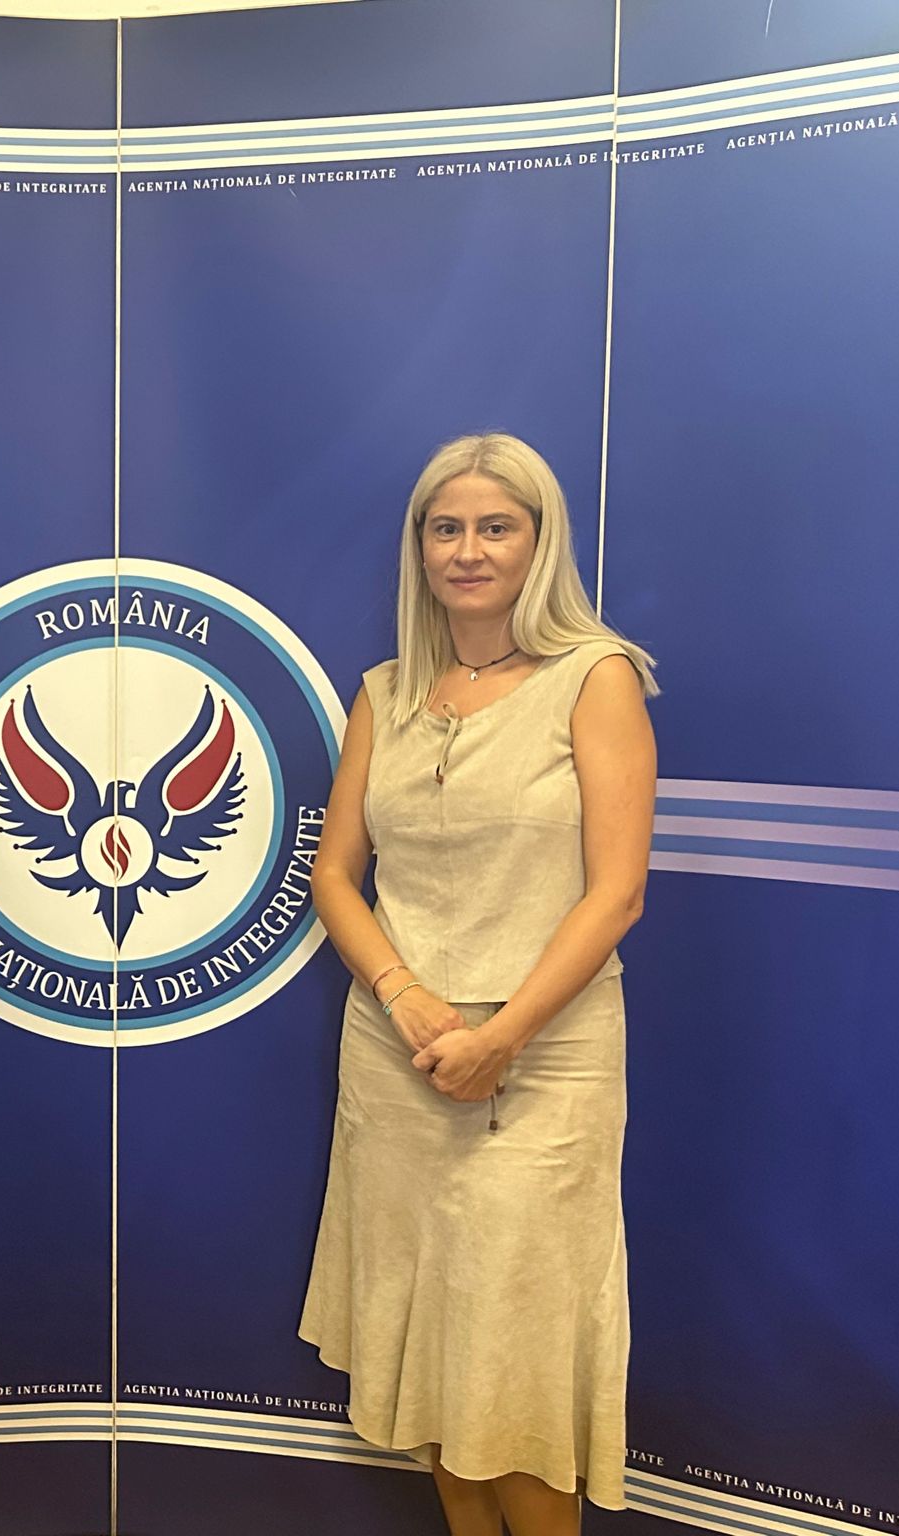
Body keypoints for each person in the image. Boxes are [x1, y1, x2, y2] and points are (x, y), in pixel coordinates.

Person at [299, 432, 658, 1534]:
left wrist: (500, 1036)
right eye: (445, 528)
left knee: (516, 1369)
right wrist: (403, 994)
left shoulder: (595, 679)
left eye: (495, 527)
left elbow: (615, 896)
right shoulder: (385, 693)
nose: (468, 550)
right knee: (436, 1366)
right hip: (397, 1060)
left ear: (540, 544)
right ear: (419, 547)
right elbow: (333, 875)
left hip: (541, 1064)